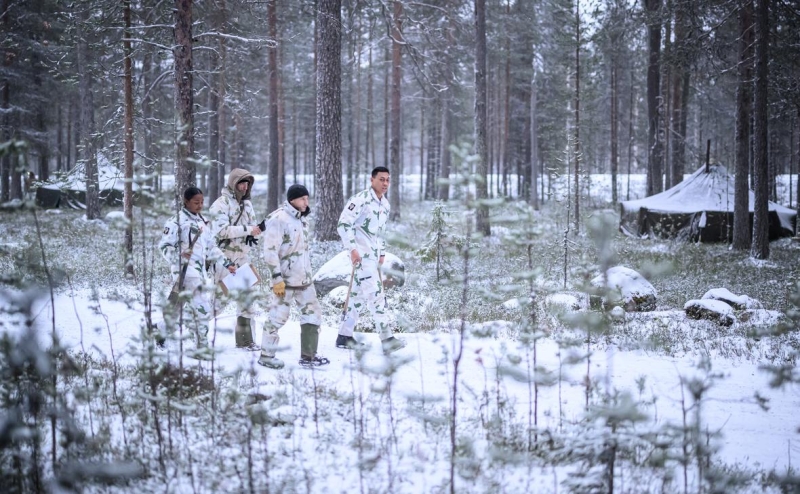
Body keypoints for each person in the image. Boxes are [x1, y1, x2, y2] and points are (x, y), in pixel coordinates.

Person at [258, 184, 329, 369]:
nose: (307, 202)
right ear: (292, 200)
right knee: (277, 317)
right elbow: (270, 252)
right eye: (303, 199)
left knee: (313, 314)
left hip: (304, 279)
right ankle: (266, 355)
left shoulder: (301, 219)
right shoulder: (279, 219)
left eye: (307, 198)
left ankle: (309, 355)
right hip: (285, 280)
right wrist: (276, 278)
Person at [159, 186, 235, 358]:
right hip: (184, 272)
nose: (200, 205)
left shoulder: (202, 222)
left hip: (198, 274)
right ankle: (201, 348)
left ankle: (160, 330)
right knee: (202, 308)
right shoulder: (176, 221)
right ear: (186, 202)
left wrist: (227, 263)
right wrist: (179, 255)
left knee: (177, 310)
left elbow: (211, 247)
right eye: (196, 202)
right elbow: (164, 246)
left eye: (201, 202)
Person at [335, 166, 405, 354]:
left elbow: (380, 233)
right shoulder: (361, 200)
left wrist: (382, 253)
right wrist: (352, 249)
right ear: (372, 180)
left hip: (373, 258)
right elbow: (343, 224)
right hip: (361, 256)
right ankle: (387, 339)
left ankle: (344, 336)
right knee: (376, 296)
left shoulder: (385, 205)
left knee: (356, 297)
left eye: (387, 180)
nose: (385, 183)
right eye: (381, 179)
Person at [208, 168, 263, 351]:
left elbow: (253, 225)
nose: (245, 187)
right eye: (241, 183)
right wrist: (247, 230)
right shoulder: (220, 204)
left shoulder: (247, 205)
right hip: (226, 260)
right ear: (233, 183)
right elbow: (222, 231)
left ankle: (245, 341)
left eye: (247, 184)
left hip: (243, 260)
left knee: (247, 302)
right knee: (217, 305)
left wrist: (253, 235)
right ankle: (177, 330)